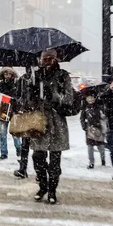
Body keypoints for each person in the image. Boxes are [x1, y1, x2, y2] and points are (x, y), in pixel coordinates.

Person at [26, 49, 74, 204]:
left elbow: (68, 98)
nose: (46, 61)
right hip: (39, 120)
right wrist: (31, 93)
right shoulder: (35, 76)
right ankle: (43, 185)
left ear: (56, 59)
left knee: (55, 159)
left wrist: (53, 95)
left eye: (50, 58)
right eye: (44, 58)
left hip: (56, 121)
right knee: (37, 157)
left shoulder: (62, 76)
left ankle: (52, 190)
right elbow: (27, 100)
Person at [0, 67, 21, 160]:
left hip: (14, 112)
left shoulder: (17, 85)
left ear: (12, 74)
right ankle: (4, 153)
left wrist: (14, 102)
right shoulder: (0, 85)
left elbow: (20, 98)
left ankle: (19, 149)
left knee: (15, 134)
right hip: (3, 112)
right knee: (2, 133)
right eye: (5, 73)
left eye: (9, 73)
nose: (7, 75)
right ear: (2, 75)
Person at [80, 87, 107, 169]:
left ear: (95, 98)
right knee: (90, 147)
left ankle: (103, 159)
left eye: (92, 98)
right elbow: (82, 118)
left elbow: (104, 117)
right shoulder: (85, 108)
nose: (90, 100)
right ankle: (91, 162)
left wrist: (103, 119)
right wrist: (84, 126)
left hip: (99, 128)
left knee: (101, 146)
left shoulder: (99, 106)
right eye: (89, 98)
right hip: (89, 129)